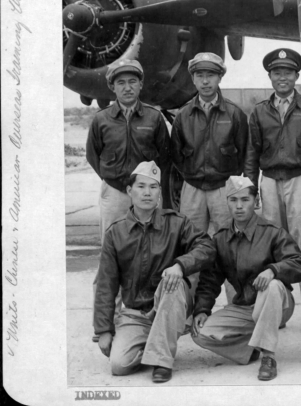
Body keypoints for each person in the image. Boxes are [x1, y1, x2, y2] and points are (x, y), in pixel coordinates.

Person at [93, 161, 215, 383]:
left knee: (173, 282)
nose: (147, 193)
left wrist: (180, 265)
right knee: (119, 365)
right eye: (141, 186)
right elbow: (105, 284)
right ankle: (158, 340)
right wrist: (104, 329)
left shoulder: (177, 223)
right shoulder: (116, 232)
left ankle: (162, 360)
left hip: (169, 303)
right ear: (130, 191)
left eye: (153, 187)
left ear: (160, 192)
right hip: (135, 313)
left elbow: (207, 247)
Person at [86, 58, 172, 340]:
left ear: (141, 84)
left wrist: (149, 189)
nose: (127, 87)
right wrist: (115, 183)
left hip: (146, 193)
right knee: (110, 254)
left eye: (132, 81)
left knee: (152, 252)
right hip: (114, 193)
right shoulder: (101, 120)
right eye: (121, 82)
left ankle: (148, 316)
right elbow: (93, 155)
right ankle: (105, 323)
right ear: (112, 87)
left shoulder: (153, 117)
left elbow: (164, 155)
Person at [245, 47, 301, 327]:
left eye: (288, 72)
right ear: (270, 77)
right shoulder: (259, 111)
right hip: (269, 182)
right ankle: (277, 312)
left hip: (300, 180)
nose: (283, 78)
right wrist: (251, 188)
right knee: (270, 248)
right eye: (277, 73)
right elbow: (251, 153)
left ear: (296, 75)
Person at [191, 176, 301, 381]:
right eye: (233, 200)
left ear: (256, 201)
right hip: (246, 308)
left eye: (245, 200)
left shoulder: (272, 233)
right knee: (200, 334)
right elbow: (210, 280)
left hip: (278, 304)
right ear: (226, 202)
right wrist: (202, 309)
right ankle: (249, 349)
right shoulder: (221, 238)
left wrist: (273, 270)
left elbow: (299, 263)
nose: (239, 206)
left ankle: (268, 356)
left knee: (271, 287)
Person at [171, 52, 249, 237]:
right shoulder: (183, 115)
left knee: (227, 238)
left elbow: (244, 152)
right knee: (191, 239)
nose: (205, 81)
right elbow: (175, 154)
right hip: (192, 188)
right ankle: (195, 267)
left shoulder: (235, 114)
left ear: (220, 77)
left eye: (211, 75)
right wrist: (191, 174)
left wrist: (230, 179)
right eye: (200, 76)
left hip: (223, 188)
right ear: (193, 79)